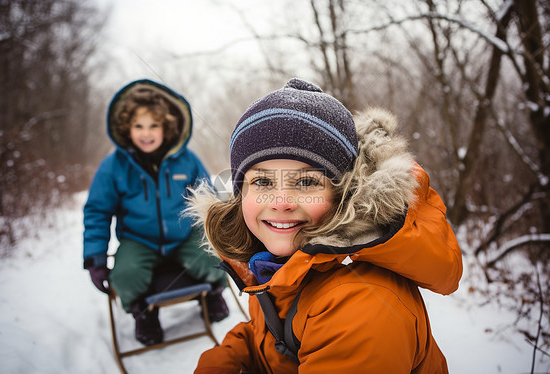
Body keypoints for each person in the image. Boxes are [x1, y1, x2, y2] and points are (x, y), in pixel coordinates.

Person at [186, 78, 463, 373]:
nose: (281, 202)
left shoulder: (360, 304)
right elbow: (266, 334)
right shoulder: (275, 262)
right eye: (262, 181)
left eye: (306, 182)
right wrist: (225, 359)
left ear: (343, 194)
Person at [83, 79, 228, 347]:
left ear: (166, 127)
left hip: (183, 234)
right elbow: (97, 211)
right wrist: (95, 257)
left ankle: (213, 293)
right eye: (138, 126)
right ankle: (144, 312)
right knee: (126, 276)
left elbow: (208, 197)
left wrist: (221, 234)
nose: (146, 133)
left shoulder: (186, 160)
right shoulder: (114, 166)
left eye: (153, 126)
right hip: (139, 239)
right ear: (127, 128)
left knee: (213, 259)